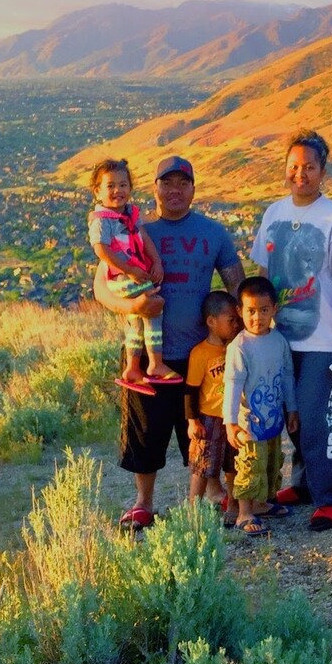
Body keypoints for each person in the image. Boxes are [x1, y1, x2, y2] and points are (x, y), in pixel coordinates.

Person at [93, 155, 245, 529]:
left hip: (202, 355)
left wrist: (248, 336)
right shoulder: (130, 229)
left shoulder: (213, 234)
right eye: (167, 183)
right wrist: (134, 304)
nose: (175, 190)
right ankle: (144, 502)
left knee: (205, 431)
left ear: (193, 189)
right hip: (147, 357)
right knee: (145, 432)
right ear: (155, 188)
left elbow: (237, 287)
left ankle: (212, 491)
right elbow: (100, 289)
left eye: (183, 183)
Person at [250, 130, 332, 531]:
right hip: (280, 337)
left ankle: (329, 495)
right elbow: (264, 277)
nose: (300, 174)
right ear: (285, 170)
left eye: (309, 167)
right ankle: (303, 485)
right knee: (294, 414)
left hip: (324, 338)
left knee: (319, 417)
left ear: (323, 172)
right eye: (294, 167)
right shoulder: (273, 214)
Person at [88, 158, 179, 391]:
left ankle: (132, 368)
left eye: (123, 185)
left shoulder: (129, 214)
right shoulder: (102, 220)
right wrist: (130, 270)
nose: (118, 190)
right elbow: (101, 249)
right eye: (111, 186)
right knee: (153, 306)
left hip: (130, 273)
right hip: (122, 276)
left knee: (136, 321)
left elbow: (143, 238)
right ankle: (156, 364)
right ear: (97, 192)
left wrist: (156, 261)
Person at [223, 276, 299, 537]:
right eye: (251, 311)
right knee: (250, 465)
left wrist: (292, 410)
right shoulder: (240, 347)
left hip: (274, 419)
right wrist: (230, 423)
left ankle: (263, 503)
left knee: (271, 462)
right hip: (249, 423)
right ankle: (244, 512)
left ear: (274, 309)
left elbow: (287, 377)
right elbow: (232, 385)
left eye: (264, 310)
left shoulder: (279, 341)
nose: (257, 317)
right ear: (240, 311)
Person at [185, 291, 240, 517]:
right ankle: (193, 510)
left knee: (233, 464)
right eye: (231, 320)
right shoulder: (200, 353)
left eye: (237, 319)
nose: (236, 324)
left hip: (233, 417)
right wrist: (192, 421)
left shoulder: (236, 348)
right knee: (202, 465)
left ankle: (234, 506)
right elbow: (190, 389)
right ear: (211, 321)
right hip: (209, 418)